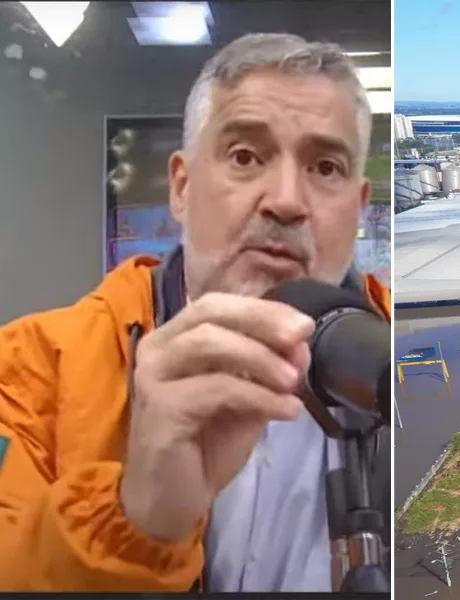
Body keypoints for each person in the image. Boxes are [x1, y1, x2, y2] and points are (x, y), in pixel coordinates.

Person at [0, 33, 389, 591]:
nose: (285, 200)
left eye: (325, 167)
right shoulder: (26, 374)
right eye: (245, 156)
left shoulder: (400, 353)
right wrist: (140, 522)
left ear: (358, 207)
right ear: (180, 187)